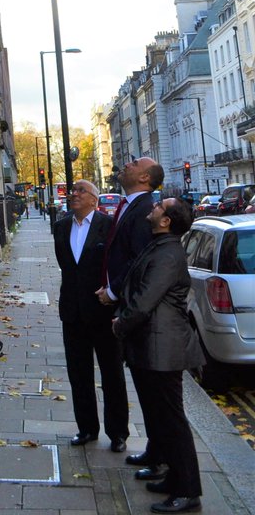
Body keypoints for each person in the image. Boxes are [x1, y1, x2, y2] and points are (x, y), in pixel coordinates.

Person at [112, 197, 204, 514]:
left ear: (166, 221)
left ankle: (188, 491)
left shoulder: (168, 254)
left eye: (159, 207)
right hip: (151, 344)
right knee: (160, 417)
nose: (153, 208)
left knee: (172, 421)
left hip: (163, 347)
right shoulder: (160, 246)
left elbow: (145, 299)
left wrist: (120, 324)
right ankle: (173, 476)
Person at [94, 155, 164, 477]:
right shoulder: (129, 205)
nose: (127, 164)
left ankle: (162, 459)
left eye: (135, 163)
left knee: (154, 393)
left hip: (138, 313)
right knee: (144, 389)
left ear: (145, 178)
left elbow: (139, 261)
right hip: (126, 308)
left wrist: (113, 291)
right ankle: (155, 450)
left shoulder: (146, 209)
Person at [53, 181, 129, 452]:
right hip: (72, 312)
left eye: (81, 191)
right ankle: (86, 428)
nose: (74, 194)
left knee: (112, 374)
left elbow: (120, 264)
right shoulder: (61, 226)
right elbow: (66, 267)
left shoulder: (108, 226)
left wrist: (112, 294)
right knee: (78, 374)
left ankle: (118, 433)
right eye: (73, 191)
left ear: (94, 199)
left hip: (102, 311)